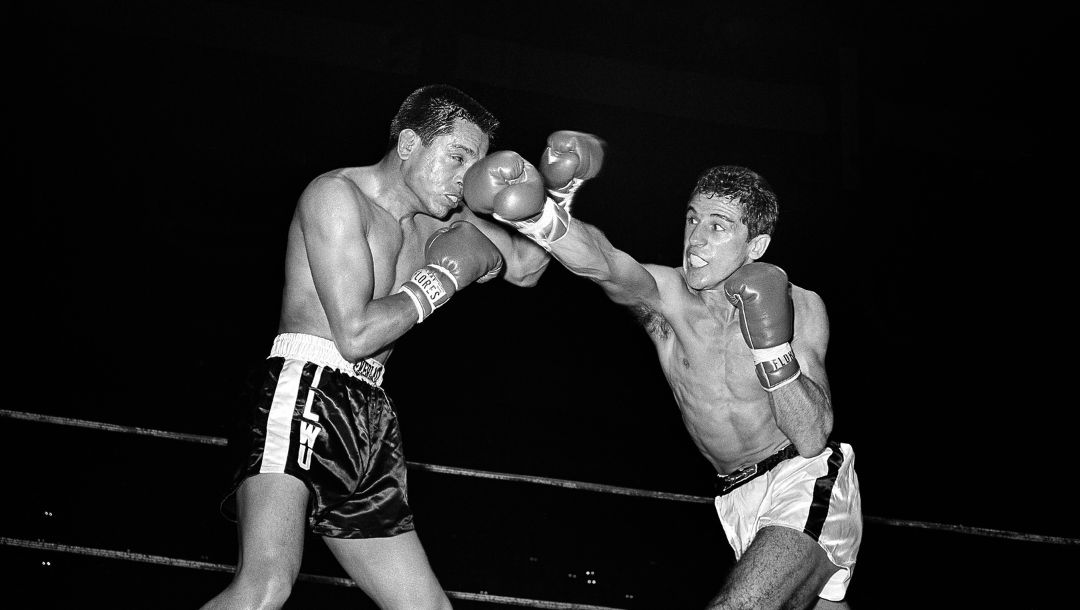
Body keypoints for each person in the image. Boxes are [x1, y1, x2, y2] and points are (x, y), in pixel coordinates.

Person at [203, 84, 563, 610]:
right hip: (305, 387)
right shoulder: (335, 195)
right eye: (457, 157)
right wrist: (442, 279)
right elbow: (355, 335)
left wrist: (544, 201)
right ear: (411, 144)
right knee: (267, 584)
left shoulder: (445, 218)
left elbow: (529, 268)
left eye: (477, 166)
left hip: (369, 411)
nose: (468, 178)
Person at [490, 157, 862, 609]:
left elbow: (810, 436)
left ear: (756, 245)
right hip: (734, 497)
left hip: (804, 478)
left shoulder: (798, 305)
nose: (696, 238)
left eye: (719, 226)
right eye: (692, 219)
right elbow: (605, 263)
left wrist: (770, 347)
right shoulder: (667, 298)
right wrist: (540, 217)